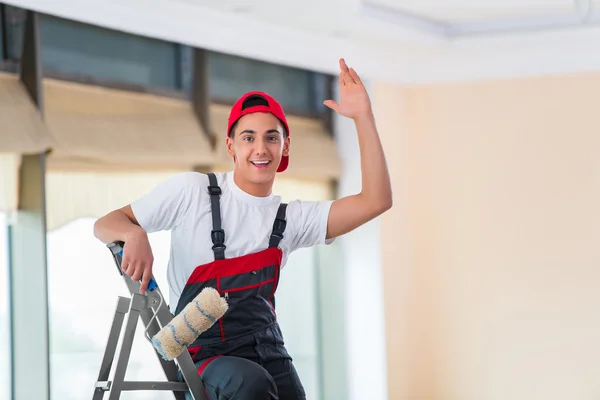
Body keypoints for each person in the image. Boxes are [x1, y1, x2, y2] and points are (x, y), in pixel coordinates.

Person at [93, 58, 392, 400]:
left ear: (286, 147)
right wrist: (134, 233)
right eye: (248, 137)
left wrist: (363, 119)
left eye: (271, 137)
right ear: (231, 146)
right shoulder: (193, 192)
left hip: (268, 350)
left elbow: (375, 200)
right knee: (251, 384)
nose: (260, 149)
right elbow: (105, 224)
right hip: (205, 359)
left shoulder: (292, 219)